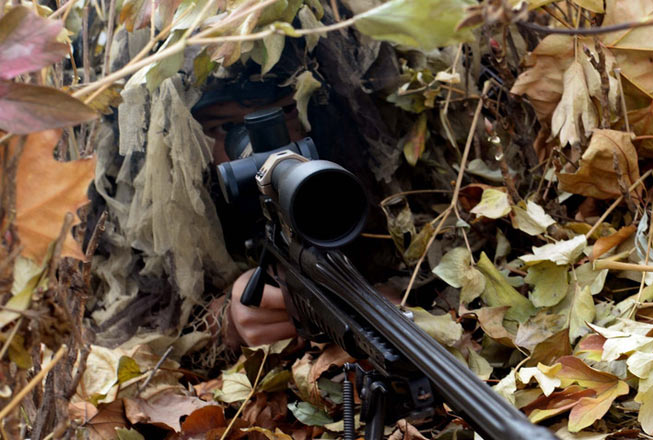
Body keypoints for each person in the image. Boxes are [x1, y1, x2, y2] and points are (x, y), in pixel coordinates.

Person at [85, 6, 420, 369]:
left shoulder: (361, 168)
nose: (258, 149)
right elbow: (124, 330)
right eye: (224, 127)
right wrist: (224, 322)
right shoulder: (157, 203)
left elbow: (425, 256)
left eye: (286, 111)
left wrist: (385, 298)